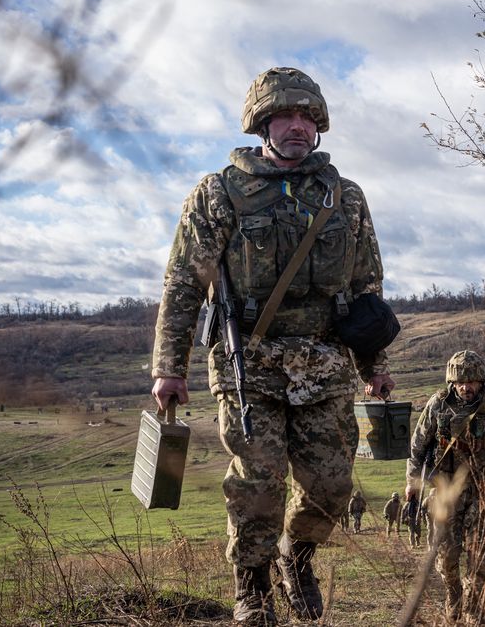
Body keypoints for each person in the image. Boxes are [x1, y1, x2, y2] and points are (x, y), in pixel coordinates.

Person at [150, 67, 396, 626]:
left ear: (319, 127)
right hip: (250, 365)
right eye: (284, 116)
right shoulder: (217, 193)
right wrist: (169, 367)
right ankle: (253, 588)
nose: (297, 127)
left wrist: (374, 366)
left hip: (326, 366)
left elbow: (367, 290)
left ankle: (297, 555)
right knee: (257, 485)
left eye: (308, 118)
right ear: (262, 122)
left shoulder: (345, 196)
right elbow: (183, 285)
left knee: (333, 488)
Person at [406, 350, 485, 620]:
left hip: (483, 491)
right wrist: (412, 481)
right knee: (446, 556)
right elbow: (418, 446)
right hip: (444, 491)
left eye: (471, 381)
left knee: (480, 558)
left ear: (481, 381)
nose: (466, 387)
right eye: (460, 382)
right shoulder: (437, 405)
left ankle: (473, 613)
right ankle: (453, 596)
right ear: (452, 382)